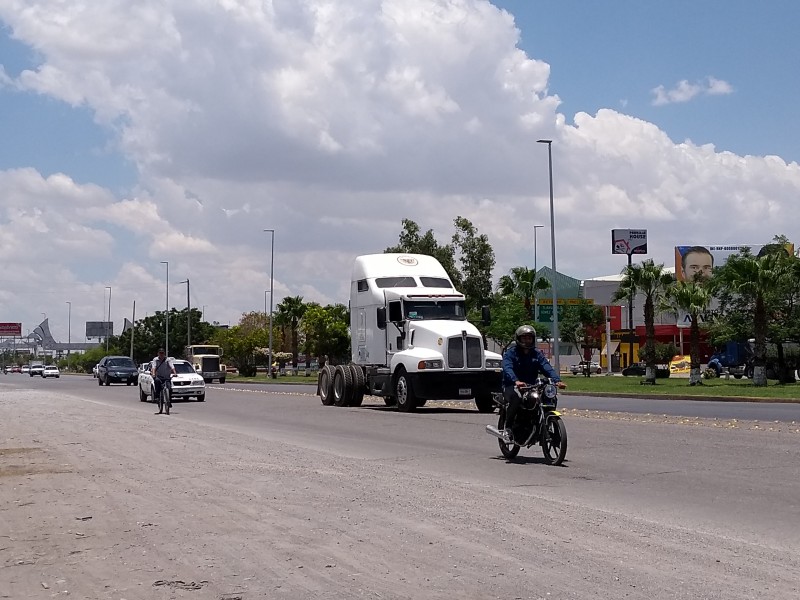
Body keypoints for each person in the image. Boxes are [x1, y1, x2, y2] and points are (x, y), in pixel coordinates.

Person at [501, 325, 566, 444]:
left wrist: (557, 380)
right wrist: (516, 381)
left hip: (531, 386)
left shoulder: (536, 354)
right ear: (518, 339)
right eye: (524, 338)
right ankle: (508, 428)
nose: (527, 341)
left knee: (549, 397)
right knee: (516, 398)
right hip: (512, 386)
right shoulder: (511, 353)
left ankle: (542, 423)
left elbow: (546, 367)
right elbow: (507, 368)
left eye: (529, 338)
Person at [150, 348, 176, 414]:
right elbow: (154, 367)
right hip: (159, 377)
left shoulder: (168, 360)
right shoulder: (155, 359)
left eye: (163, 353)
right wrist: (153, 374)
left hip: (167, 377)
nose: (161, 354)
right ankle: (157, 397)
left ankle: (169, 401)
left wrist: (175, 373)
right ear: (158, 353)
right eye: (160, 353)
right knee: (157, 382)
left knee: (169, 388)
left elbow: (172, 367)